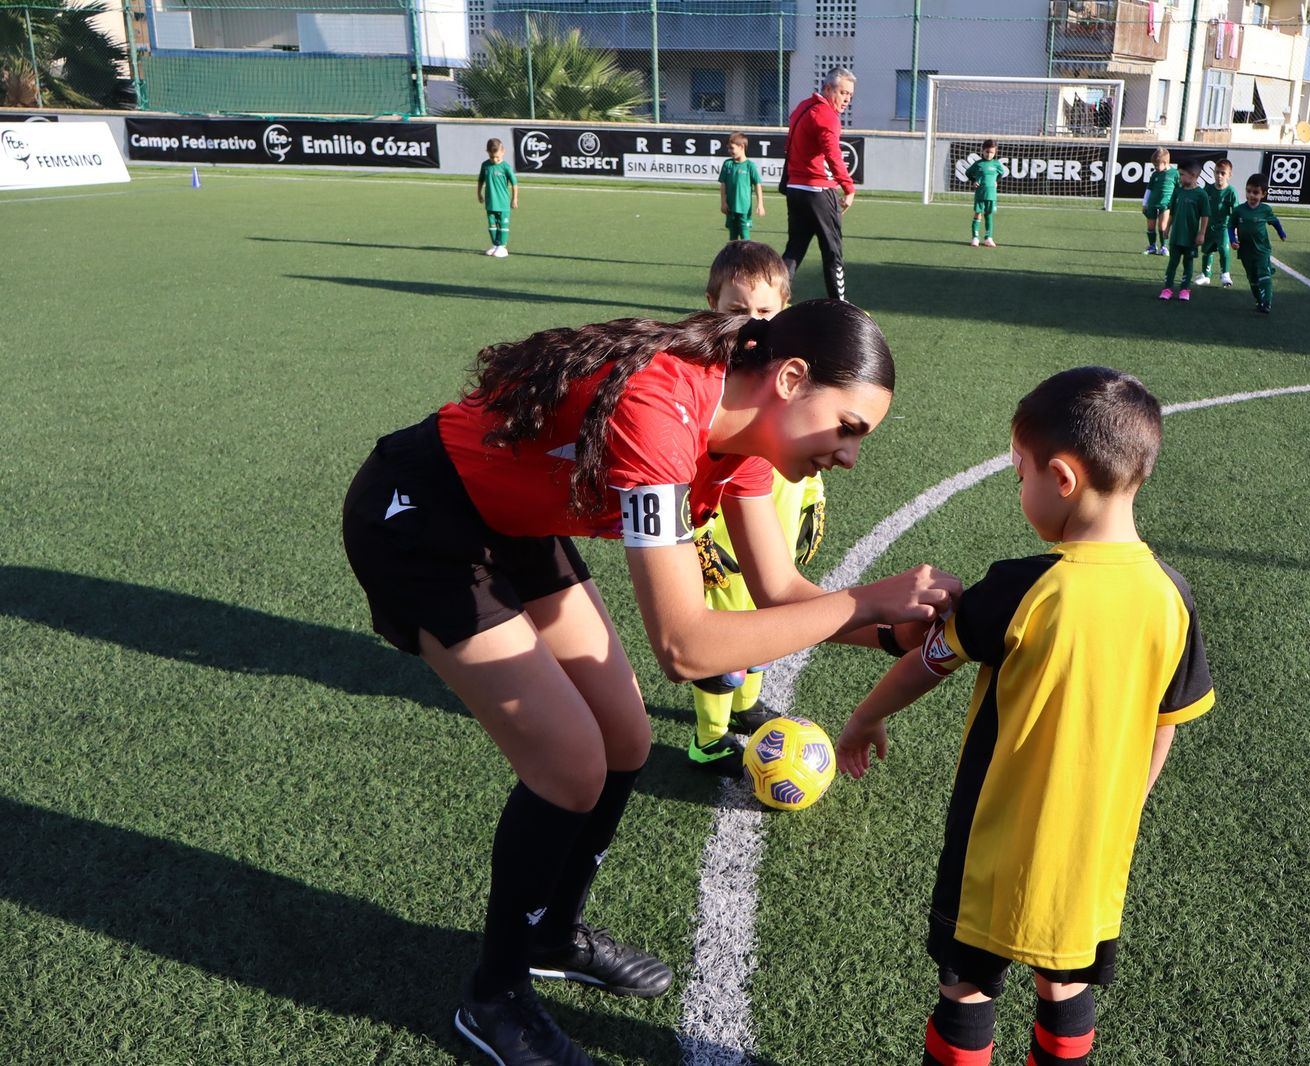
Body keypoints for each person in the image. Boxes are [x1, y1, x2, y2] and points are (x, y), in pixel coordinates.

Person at [342, 300, 958, 1066]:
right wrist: (866, 600)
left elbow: (783, 597)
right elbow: (685, 644)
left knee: (626, 738)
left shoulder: (751, 446)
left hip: (511, 523)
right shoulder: (661, 408)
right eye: (849, 428)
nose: (851, 455)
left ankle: (551, 933)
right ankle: (491, 1000)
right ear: (791, 379)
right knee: (570, 765)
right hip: (420, 521)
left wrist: (912, 631)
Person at [836, 366, 1215, 1066]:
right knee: (1066, 979)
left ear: (1063, 479)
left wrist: (862, 718)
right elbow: (1166, 720)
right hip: (1095, 850)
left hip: (995, 843)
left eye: (1020, 475)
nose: (1020, 491)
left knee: (968, 989)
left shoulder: (1023, 585)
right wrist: (1123, 805)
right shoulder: (1172, 595)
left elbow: (929, 662)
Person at [686, 241, 827, 775]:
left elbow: (808, 438)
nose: (751, 323)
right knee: (723, 637)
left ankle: (746, 709)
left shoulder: (793, 373)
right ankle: (710, 735)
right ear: (711, 306)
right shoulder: (706, 380)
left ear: (784, 310)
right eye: (735, 310)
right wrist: (695, 539)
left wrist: (812, 498)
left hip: (777, 526)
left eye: (764, 311)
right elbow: (686, 464)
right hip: (721, 539)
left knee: (769, 622)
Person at [781, 67, 856, 301]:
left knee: (795, 249)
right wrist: (848, 187)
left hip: (796, 190)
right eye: (842, 92)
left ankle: (773, 301)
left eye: (850, 95)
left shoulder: (803, 107)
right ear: (827, 88)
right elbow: (833, 153)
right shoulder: (826, 115)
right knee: (833, 252)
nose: (846, 99)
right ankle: (841, 308)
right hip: (818, 191)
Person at [1229, 173, 1288, 314]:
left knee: (1263, 275)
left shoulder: (1265, 210)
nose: (1251, 195)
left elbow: (1274, 221)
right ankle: (1259, 300)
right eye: (1248, 191)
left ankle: (1267, 303)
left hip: (1262, 250)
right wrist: (1232, 240)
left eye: (1255, 192)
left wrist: (1281, 233)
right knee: (1253, 278)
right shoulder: (1239, 210)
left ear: (1263, 194)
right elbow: (1230, 226)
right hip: (1245, 251)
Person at [1159, 159, 1209, 302]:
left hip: (1191, 238)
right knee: (1172, 264)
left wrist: (1201, 233)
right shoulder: (1178, 191)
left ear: (1193, 175)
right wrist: (1167, 227)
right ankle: (1167, 289)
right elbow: (1172, 212)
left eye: (1181, 174)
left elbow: (1205, 216)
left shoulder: (1201, 195)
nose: (1179, 177)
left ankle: (1184, 290)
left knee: (1188, 264)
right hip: (1176, 237)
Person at [1195, 157, 1237, 288]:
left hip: (1223, 227)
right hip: (1208, 226)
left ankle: (1225, 274)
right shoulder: (1208, 189)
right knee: (1207, 250)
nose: (1219, 176)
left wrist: (1234, 230)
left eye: (1223, 173)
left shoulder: (1231, 192)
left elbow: (1235, 211)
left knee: (1224, 249)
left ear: (1229, 175)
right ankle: (1206, 275)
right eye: (1217, 172)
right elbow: (1201, 206)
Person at [718, 133, 765, 241]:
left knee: (745, 236)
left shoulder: (750, 166)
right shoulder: (727, 164)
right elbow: (723, 185)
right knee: (732, 236)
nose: (729, 151)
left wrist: (760, 204)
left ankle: (746, 257)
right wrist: (723, 203)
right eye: (728, 148)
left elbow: (757, 185)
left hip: (744, 207)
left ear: (741, 147)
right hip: (730, 207)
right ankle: (733, 257)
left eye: (732, 148)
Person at [477, 138, 518, 258]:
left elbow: (514, 183)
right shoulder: (485, 165)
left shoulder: (506, 167)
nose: (494, 160)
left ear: (503, 152)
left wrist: (514, 199)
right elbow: (480, 181)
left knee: (503, 225)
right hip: (490, 202)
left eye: (497, 158)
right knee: (491, 224)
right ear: (487, 153)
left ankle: (502, 247)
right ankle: (495, 245)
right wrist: (479, 194)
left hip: (503, 202)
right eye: (491, 157)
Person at [965, 140, 1005, 248]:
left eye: (992, 152)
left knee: (989, 214)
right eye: (987, 152)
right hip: (980, 194)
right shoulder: (978, 164)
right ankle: (975, 237)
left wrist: (997, 181)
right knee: (978, 213)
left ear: (995, 152)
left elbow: (1002, 173)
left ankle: (988, 238)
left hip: (991, 194)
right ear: (982, 151)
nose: (989, 154)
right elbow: (968, 173)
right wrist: (973, 181)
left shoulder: (996, 163)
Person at [1141, 147, 1177, 256]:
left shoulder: (1175, 174)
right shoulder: (1155, 175)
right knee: (1151, 226)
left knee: (1162, 226)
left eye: (1156, 165)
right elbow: (1149, 189)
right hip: (1152, 204)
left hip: (1166, 205)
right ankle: (1152, 246)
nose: (1155, 168)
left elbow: (1179, 189)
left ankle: (1164, 246)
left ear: (1165, 162)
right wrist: (1145, 203)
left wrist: (1176, 203)